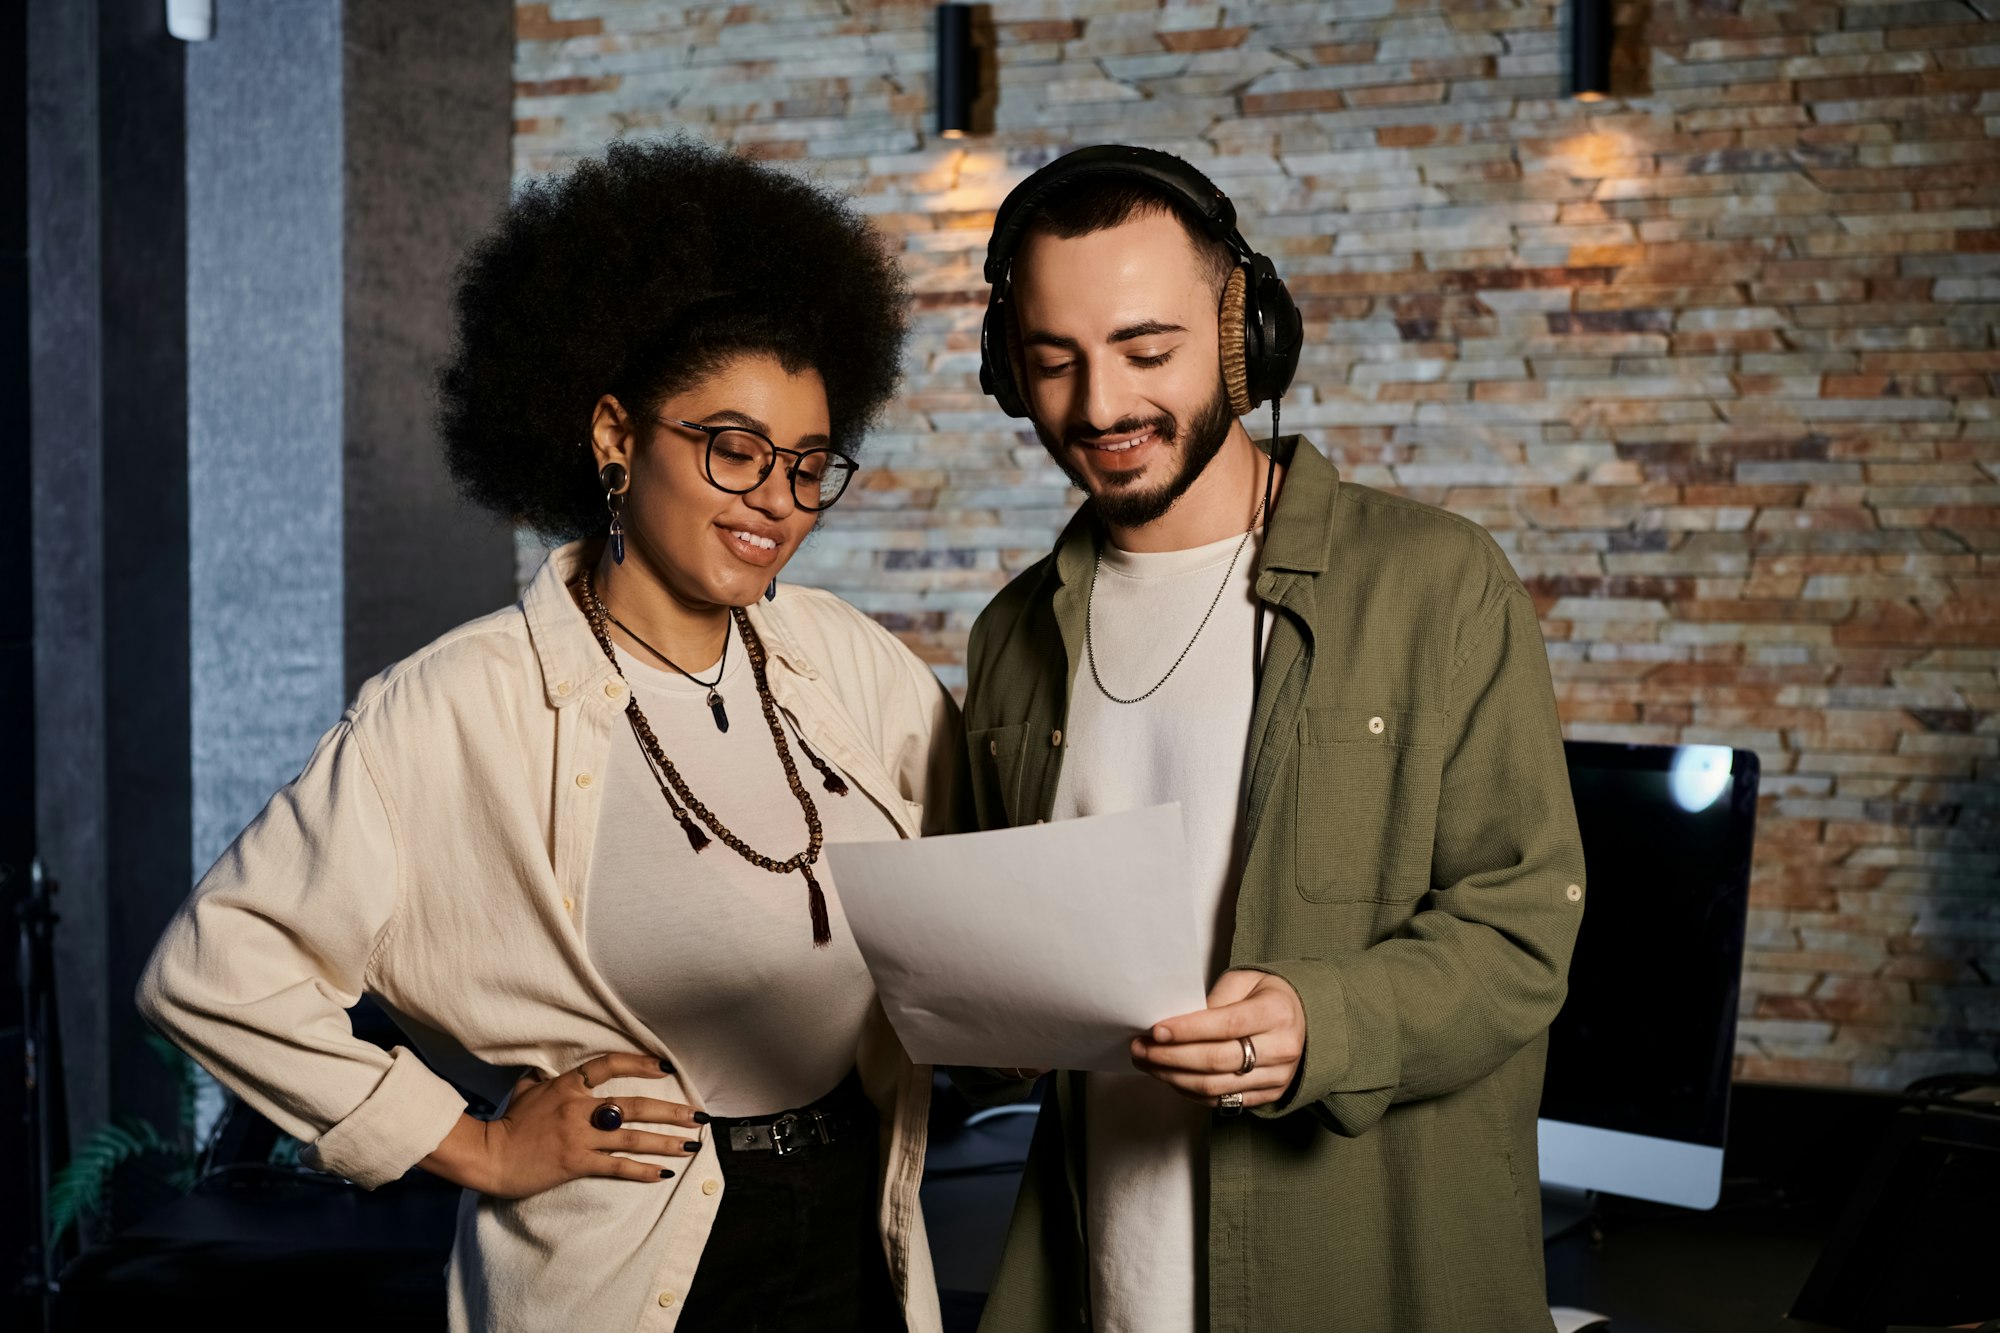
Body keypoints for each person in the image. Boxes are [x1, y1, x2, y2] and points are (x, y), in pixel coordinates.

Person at [138, 137, 959, 1333]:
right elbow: (216, 970)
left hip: (852, 1231)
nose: (776, 498)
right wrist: (473, 1145)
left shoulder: (848, 660)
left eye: (807, 463)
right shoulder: (455, 706)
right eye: (732, 448)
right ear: (616, 437)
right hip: (624, 1260)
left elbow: (972, 888)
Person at [956, 145, 1587, 1332]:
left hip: (1368, 1281)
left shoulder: (1438, 585)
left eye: (1147, 353)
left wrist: (1321, 1022)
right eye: (1052, 362)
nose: (1099, 407)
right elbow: (1004, 965)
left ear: (1246, 337)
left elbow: (1519, 932)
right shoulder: (1008, 639)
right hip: (1096, 1285)